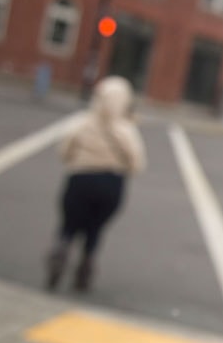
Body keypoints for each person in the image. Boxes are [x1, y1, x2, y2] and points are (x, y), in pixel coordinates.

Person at [45, 75, 147, 292]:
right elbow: (137, 163)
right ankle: (87, 262)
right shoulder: (126, 129)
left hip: (80, 179)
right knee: (96, 227)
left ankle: (62, 248)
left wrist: (78, 161)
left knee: (69, 223)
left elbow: (64, 151)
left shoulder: (83, 123)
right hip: (111, 183)